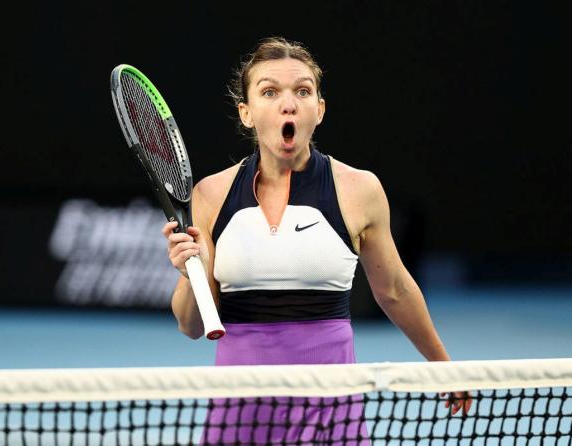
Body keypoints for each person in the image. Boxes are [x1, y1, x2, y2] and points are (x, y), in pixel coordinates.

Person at [162, 37, 470, 444]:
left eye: (303, 91)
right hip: (241, 411)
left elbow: (394, 290)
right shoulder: (211, 194)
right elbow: (191, 325)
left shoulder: (359, 190)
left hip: (329, 407)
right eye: (269, 92)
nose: (288, 103)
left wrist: (442, 365)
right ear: (247, 113)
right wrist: (190, 273)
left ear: (319, 110)